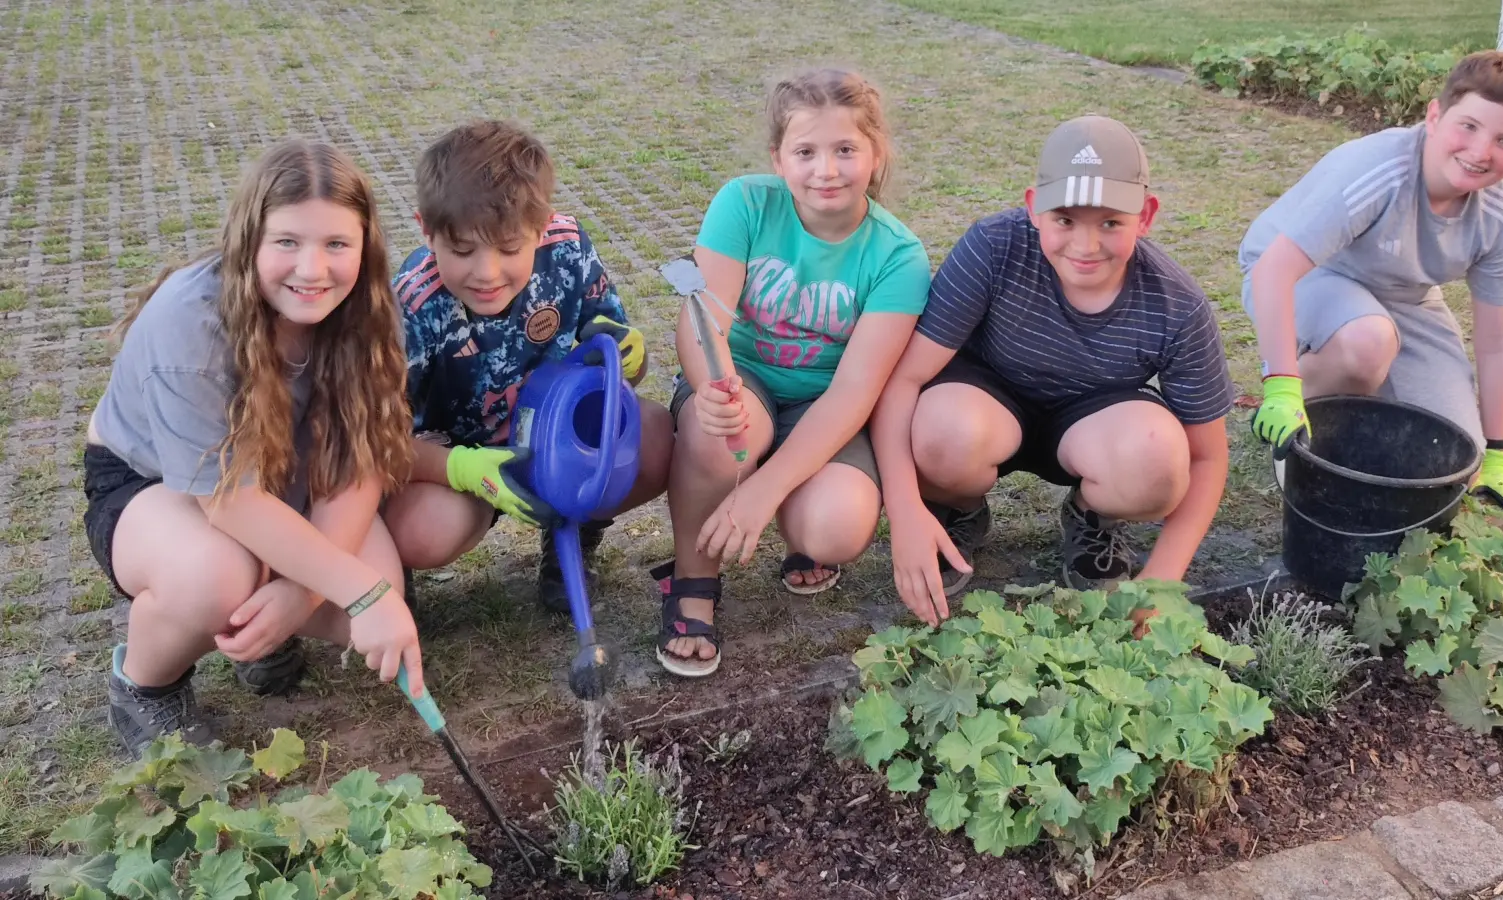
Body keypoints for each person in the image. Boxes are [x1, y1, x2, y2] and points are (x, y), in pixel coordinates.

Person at [83, 139, 426, 757]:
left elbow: (362, 457)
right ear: (250, 239)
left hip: (284, 471)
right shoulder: (187, 322)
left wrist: (304, 595)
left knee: (371, 595)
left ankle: (269, 630)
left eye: (337, 245)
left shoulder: (372, 308)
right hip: (158, 484)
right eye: (288, 242)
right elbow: (228, 501)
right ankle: (144, 685)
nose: (313, 269)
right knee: (218, 578)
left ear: (364, 246)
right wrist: (356, 590)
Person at [873, 115, 1235, 626]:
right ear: (1032, 207)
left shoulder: (1177, 303)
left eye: (1111, 222)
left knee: (1159, 456)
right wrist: (906, 513)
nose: (1085, 246)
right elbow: (904, 379)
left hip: (1094, 418)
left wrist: (1163, 580)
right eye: (1064, 219)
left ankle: (1093, 516)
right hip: (987, 401)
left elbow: (1207, 459)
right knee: (938, 430)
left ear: (1146, 215)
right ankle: (957, 506)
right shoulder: (994, 246)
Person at [657, 68, 932, 677]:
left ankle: (792, 518)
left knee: (835, 528)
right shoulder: (745, 203)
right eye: (805, 152)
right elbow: (704, 318)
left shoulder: (899, 256)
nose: (825, 171)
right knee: (718, 437)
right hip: (745, 377)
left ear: (876, 154)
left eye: (845, 150)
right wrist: (712, 386)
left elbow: (856, 391)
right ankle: (692, 583)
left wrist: (763, 489)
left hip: (826, 404)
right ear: (779, 159)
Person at [1240, 50, 1503, 524]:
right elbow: (1273, 272)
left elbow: (1496, 343)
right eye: (1467, 126)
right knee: (1367, 343)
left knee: (1456, 462)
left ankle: (1355, 399)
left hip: (1404, 296)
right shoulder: (1380, 170)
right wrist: (1282, 386)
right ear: (1434, 115)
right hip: (1308, 273)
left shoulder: (1498, 222)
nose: (1480, 151)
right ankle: (1296, 432)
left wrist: (1497, 455)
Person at [383, 120, 673, 610]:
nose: (487, 273)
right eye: (461, 250)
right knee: (422, 531)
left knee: (656, 434)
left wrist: (629, 356)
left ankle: (573, 536)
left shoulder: (568, 248)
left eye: (510, 248)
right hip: (457, 465)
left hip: (555, 440)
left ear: (540, 228)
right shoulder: (411, 302)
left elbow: (613, 361)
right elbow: (374, 441)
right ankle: (390, 574)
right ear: (426, 230)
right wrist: (462, 468)